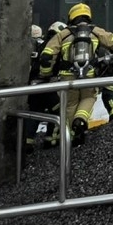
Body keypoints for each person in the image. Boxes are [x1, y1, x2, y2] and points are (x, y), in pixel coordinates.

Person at [37, 3, 113, 145]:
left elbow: (48, 54)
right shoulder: (96, 31)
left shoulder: (63, 34)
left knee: (70, 104)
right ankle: (81, 120)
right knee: (89, 98)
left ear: (71, 16)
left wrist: (45, 73)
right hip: (88, 75)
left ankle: (71, 136)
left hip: (67, 76)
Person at [24, 21, 66, 151]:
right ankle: (51, 140)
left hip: (33, 86)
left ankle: (27, 142)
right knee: (59, 110)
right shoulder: (54, 45)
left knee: (35, 112)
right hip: (45, 86)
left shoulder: (40, 45)